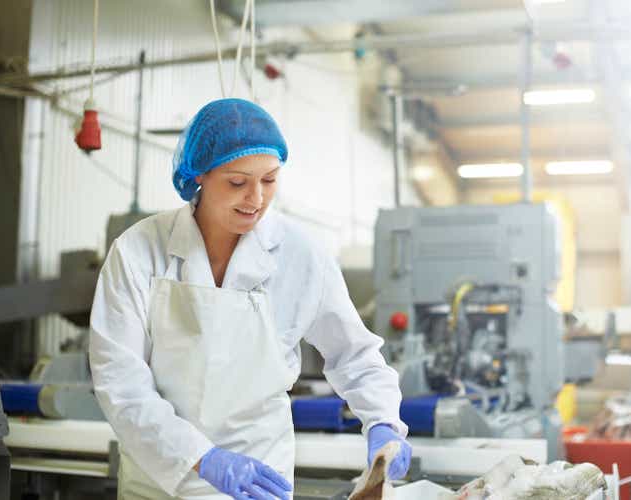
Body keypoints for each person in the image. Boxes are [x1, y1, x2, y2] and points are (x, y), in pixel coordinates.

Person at [89, 98, 412, 499]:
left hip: (259, 482)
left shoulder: (301, 255)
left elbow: (354, 354)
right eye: (238, 182)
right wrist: (203, 457)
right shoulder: (138, 251)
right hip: (160, 477)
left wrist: (382, 420)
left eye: (270, 180)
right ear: (199, 176)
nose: (256, 199)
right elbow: (121, 383)